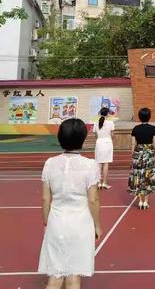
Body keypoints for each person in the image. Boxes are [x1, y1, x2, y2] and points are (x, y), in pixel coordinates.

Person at [38, 118, 102, 289]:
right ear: (82, 138)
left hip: (56, 221)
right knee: (74, 276)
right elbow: (93, 199)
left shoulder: (50, 163)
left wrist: (46, 222)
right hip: (81, 223)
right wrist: (97, 225)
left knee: (55, 276)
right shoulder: (90, 165)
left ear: (60, 138)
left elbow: (45, 198)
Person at [129, 108, 155, 209]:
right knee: (148, 176)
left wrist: (133, 155)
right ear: (149, 117)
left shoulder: (135, 129)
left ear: (139, 117)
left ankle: (140, 201)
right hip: (149, 153)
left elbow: (133, 143)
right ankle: (145, 201)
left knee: (138, 177)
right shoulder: (153, 128)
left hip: (138, 153)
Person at [94, 107, 115, 189]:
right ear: (107, 114)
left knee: (99, 163)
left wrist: (99, 139)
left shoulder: (96, 122)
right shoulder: (110, 122)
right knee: (106, 163)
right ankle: (104, 183)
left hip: (99, 142)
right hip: (108, 142)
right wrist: (109, 139)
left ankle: (99, 182)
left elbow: (95, 135)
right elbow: (112, 134)